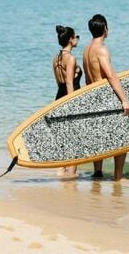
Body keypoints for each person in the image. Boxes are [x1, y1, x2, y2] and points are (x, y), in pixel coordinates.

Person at [82, 14, 129, 181]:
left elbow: (88, 79)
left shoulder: (86, 50)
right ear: (105, 29)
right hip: (105, 98)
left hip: (92, 97)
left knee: (99, 137)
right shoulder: (101, 50)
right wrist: (124, 100)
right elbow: (111, 76)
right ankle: (118, 177)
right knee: (122, 138)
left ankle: (98, 173)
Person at [52, 25, 82, 177]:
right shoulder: (70, 58)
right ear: (70, 40)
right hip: (70, 98)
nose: (77, 39)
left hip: (59, 97)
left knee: (64, 138)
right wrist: (73, 104)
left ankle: (61, 170)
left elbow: (60, 83)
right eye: (76, 37)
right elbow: (70, 82)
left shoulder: (56, 58)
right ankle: (71, 174)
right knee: (75, 140)